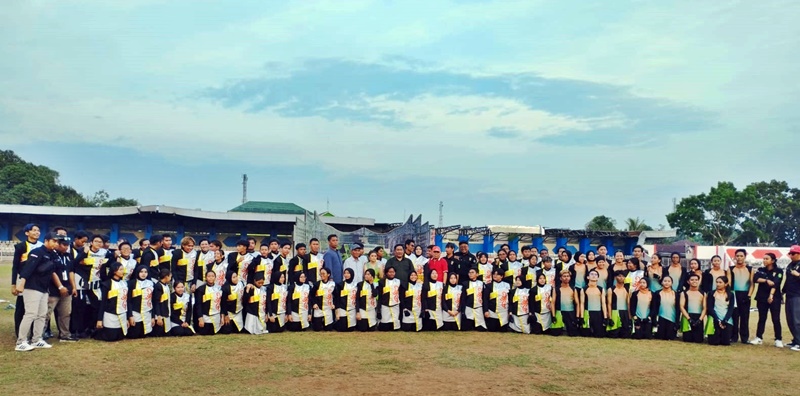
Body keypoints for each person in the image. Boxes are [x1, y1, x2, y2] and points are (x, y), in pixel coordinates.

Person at [14, 232, 57, 351]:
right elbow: (28, 269)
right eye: (54, 241)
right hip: (32, 287)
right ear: (47, 240)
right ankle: (21, 342)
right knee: (30, 314)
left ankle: (36, 339)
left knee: (41, 315)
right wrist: (21, 284)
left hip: (43, 288)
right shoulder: (37, 252)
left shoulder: (52, 254)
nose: (56, 244)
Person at [72, 234, 115, 338]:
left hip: (96, 284)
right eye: (96, 241)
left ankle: (91, 328)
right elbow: (74, 263)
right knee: (80, 307)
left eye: (100, 242)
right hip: (82, 283)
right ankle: (77, 330)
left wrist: (115, 255)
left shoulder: (105, 252)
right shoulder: (83, 251)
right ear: (91, 242)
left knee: (97, 306)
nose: (98, 244)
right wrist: (84, 254)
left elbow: (110, 264)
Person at [12, 223, 43, 337]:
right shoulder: (21, 246)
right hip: (23, 279)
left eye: (38, 230)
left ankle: (34, 333)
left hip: (37, 281)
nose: (37, 232)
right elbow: (15, 266)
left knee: (36, 308)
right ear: (27, 233)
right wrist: (13, 284)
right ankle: (19, 333)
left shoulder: (41, 246)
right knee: (22, 307)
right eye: (34, 230)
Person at [47, 235, 77, 342]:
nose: (66, 247)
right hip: (53, 289)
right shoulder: (51, 255)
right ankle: (38, 335)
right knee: (46, 313)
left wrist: (73, 287)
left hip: (67, 289)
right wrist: (60, 286)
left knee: (66, 313)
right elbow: (52, 272)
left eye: (67, 245)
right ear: (57, 244)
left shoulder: (68, 256)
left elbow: (71, 271)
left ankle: (64, 335)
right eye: (63, 245)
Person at [750, 253, 783, 347]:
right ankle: (759, 337)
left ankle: (778, 339)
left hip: (774, 298)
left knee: (776, 319)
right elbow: (755, 279)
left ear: (772, 260)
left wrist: (771, 295)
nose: (764, 260)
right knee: (762, 318)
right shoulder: (761, 270)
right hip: (761, 297)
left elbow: (776, 283)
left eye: (766, 259)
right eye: (763, 258)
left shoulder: (779, 271)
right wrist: (766, 280)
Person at [94, 262, 129, 342]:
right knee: (111, 337)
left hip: (122, 313)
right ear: (114, 271)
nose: (122, 271)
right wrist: (99, 320)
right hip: (110, 314)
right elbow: (103, 303)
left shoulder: (125, 283)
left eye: (123, 269)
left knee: (120, 337)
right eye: (120, 270)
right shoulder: (107, 284)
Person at [728, 249, 754, 344]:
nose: (739, 258)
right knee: (734, 316)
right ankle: (733, 337)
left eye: (741, 256)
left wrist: (749, 295)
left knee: (745, 317)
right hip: (734, 294)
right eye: (737, 256)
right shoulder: (731, 269)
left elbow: (752, 284)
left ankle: (745, 338)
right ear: (735, 257)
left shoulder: (750, 269)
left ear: (745, 257)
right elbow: (729, 283)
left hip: (745, 294)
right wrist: (730, 294)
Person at [126, 265, 155, 339]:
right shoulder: (131, 283)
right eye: (141, 272)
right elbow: (128, 301)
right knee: (134, 335)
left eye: (145, 272)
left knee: (144, 334)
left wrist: (153, 317)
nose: (143, 274)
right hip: (135, 312)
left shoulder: (151, 283)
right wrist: (130, 316)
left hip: (147, 312)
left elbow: (153, 301)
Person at [194, 270, 224, 336]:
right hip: (206, 315)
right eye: (209, 276)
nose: (211, 278)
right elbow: (198, 305)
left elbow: (222, 303)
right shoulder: (200, 289)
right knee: (205, 332)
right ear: (206, 278)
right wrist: (200, 318)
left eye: (213, 276)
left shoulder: (219, 288)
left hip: (216, 315)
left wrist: (222, 316)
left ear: (215, 278)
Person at [707, 276, 734, 346]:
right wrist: (718, 320)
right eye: (717, 282)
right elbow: (710, 308)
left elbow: (731, 309)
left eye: (720, 282)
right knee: (714, 342)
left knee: (725, 342)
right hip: (714, 319)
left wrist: (725, 320)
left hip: (726, 320)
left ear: (726, 284)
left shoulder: (731, 294)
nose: (718, 284)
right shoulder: (711, 293)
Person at [551, 270, 579, 337]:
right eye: (564, 276)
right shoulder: (556, 289)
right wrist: (553, 316)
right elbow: (553, 303)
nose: (566, 278)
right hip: (559, 312)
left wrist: (577, 317)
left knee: (573, 334)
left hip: (570, 312)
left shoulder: (573, 288)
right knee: (555, 333)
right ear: (560, 278)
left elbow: (577, 303)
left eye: (568, 276)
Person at [680, 273, 706, 344]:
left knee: (699, 340)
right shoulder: (684, 293)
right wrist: (689, 319)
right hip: (687, 316)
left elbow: (705, 308)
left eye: (696, 280)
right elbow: (681, 306)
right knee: (687, 339)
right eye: (692, 280)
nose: (694, 281)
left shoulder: (703, 293)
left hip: (699, 317)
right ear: (688, 281)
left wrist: (700, 320)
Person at [783, 245, 800, 351]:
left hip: (798, 295)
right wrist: (782, 291)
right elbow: (788, 280)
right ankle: (795, 339)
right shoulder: (790, 265)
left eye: (793, 254)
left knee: (796, 319)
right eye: (790, 253)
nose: (791, 255)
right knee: (790, 319)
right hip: (789, 294)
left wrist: (798, 275)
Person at [581, 270, 607, 338]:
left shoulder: (601, 289)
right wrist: (581, 317)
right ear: (588, 277)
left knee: (599, 335)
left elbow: (603, 303)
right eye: (591, 274)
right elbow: (582, 303)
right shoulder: (584, 289)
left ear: (598, 278)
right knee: (585, 334)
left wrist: (605, 317)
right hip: (587, 313)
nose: (593, 275)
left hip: (598, 313)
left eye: (595, 274)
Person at [652, 276, 679, 341]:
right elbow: (654, 307)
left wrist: (677, 322)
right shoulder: (657, 293)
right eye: (665, 281)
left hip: (672, 318)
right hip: (660, 317)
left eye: (669, 281)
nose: (667, 283)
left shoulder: (676, 294)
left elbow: (678, 308)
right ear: (662, 282)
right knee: (660, 336)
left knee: (670, 337)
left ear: (672, 283)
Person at [483, 268, 510, 332]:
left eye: (497, 274)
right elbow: (485, 299)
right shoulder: (488, 286)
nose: (495, 275)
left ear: (501, 276)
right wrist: (486, 311)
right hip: (492, 311)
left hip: (504, 311)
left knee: (503, 330)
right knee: (492, 329)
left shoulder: (507, 285)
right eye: (494, 274)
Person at [606, 271, 631, 338]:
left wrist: (629, 318)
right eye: (619, 276)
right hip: (615, 312)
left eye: (623, 276)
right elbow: (609, 304)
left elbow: (628, 304)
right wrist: (610, 317)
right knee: (613, 334)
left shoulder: (627, 289)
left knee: (625, 334)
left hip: (625, 313)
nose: (621, 278)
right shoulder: (611, 289)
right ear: (615, 277)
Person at [377, 266, 403, 331]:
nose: (391, 274)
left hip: (395, 305)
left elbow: (401, 294)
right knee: (384, 327)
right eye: (390, 272)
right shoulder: (381, 282)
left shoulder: (398, 281)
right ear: (386, 273)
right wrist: (379, 308)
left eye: (393, 272)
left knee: (395, 326)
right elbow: (380, 296)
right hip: (385, 305)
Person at [150, 269, 172, 337]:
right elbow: (156, 302)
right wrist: (158, 316)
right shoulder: (158, 286)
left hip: (166, 312)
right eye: (170, 276)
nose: (171, 278)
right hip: (160, 315)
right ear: (166, 277)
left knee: (168, 333)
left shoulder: (166, 286)